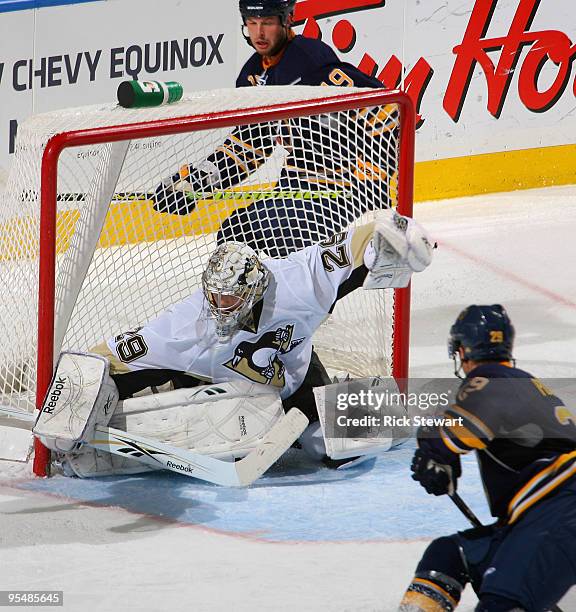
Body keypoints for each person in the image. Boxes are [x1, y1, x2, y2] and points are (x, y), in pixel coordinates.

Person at [82, 211, 432, 470]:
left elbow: (358, 244)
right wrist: (78, 387)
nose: (219, 308)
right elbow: (121, 353)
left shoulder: (297, 283)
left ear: (252, 291)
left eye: (230, 299)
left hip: (295, 374)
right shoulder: (187, 324)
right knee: (224, 436)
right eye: (214, 297)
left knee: (333, 448)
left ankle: (374, 404)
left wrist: (400, 236)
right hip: (231, 392)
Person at [153, 0, 395, 257]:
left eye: (267, 23)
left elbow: (386, 108)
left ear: (286, 20)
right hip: (296, 187)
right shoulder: (251, 76)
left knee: (286, 242)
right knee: (235, 232)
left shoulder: (310, 62)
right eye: (252, 23)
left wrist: (374, 173)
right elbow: (249, 146)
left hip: (341, 188)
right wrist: (196, 181)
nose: (259, 33)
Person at [400, 305, 576, 612]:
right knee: (451, 554)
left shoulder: (487, 379)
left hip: (560, 510)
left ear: (464, 350)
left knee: (501, 604)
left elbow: (454, 435)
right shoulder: (523, 382)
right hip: (547, 512)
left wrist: (434, 453)